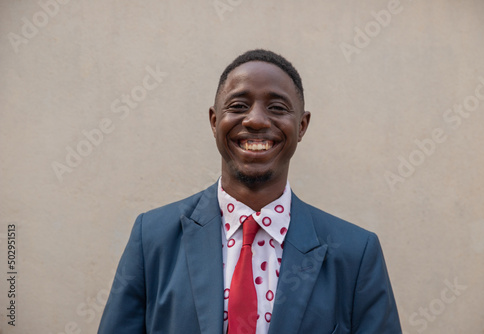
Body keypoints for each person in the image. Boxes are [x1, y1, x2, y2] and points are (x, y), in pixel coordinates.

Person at [98, 49, 402, 334]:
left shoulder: (356, 253)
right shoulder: (152, 238)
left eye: (277, 108)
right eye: (239, 106)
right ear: (215, 122)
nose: (256, 119)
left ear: (302, 126)